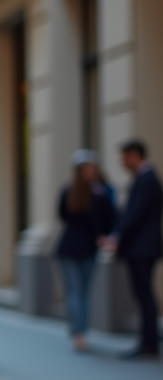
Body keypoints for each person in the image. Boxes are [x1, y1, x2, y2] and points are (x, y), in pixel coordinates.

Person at [102, 139, 162, 360]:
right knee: (143, 294)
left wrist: (117, 238)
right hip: (141, 248)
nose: (122, 162)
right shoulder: (143, 180)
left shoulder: (147, 181)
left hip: (142, 249)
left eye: (124, 157)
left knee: (144, 294)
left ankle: (148, 343)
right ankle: (148, 341)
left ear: (135, 155)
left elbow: (134, 215)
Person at [55, 150, 116, 352]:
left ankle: (77, 331)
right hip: (86, 247)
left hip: (73, 247)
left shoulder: (70, 191)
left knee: (76, 292)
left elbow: (63, 216)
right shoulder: (99, 193)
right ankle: (80, 332)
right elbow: (109, 220)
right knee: (80, 292)